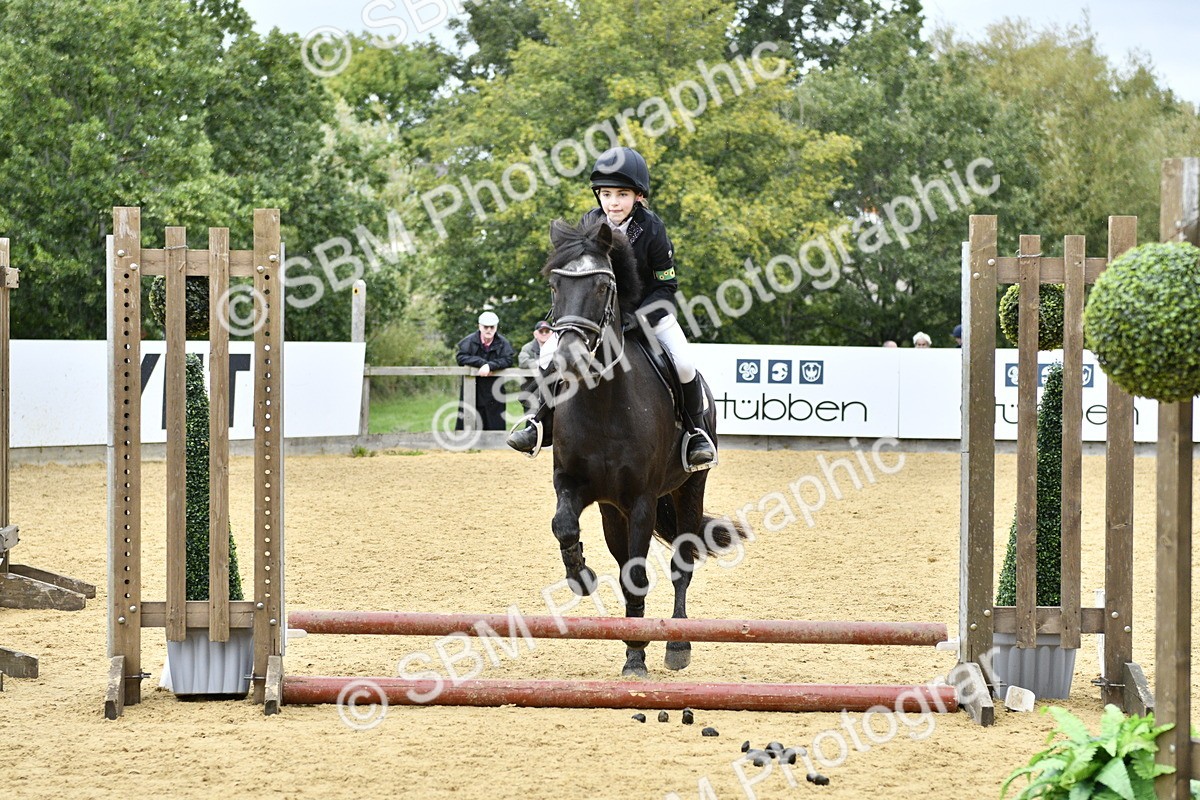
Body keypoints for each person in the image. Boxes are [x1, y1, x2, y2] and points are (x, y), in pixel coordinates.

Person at [506, 146, 716, 469]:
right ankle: (537, 422)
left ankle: (695, 434)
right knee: (550, 355)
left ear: (638, 196)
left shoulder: (653, 229)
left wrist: (639, 319)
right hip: (594, 318)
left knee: (685, 364)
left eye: (621, 194)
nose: (613, 203)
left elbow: (666, 286)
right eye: (606, 194)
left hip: (647, 314)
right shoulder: (590, 222)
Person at [455, 310, 515, 431]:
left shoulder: (503, 343)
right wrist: (482, 363)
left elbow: (508, 359)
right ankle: (466, 445)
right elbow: (461, 357)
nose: (488, 330)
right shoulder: (469, 341)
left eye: (492, 327)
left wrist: (491, 366)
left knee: (495, 420)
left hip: (494, 388)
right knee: (469, 415)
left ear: (496, 327)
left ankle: (494, 446)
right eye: (485, 327)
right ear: (479, 326)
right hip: (473, 387)